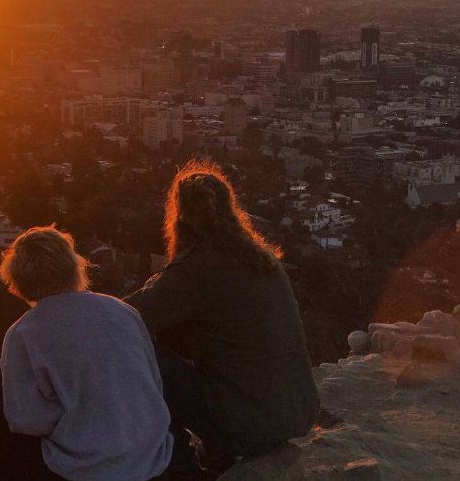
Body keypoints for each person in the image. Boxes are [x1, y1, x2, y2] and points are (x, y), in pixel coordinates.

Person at [126, 160, 318, 479]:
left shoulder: (198, 268)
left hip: (248, 423)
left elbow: (125, 319)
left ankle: (179, 463)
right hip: (296, 411)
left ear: (180, 215)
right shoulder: (262, 260)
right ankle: (217, 453)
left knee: (141, 352)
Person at [0, 225, 173, 481]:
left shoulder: (23, 333)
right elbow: (153, 384)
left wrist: (70, 414)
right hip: (150, 461)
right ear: (75, 267)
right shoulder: (122, 311)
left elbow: (25, 421)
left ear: (16, 280)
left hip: (84, 472)